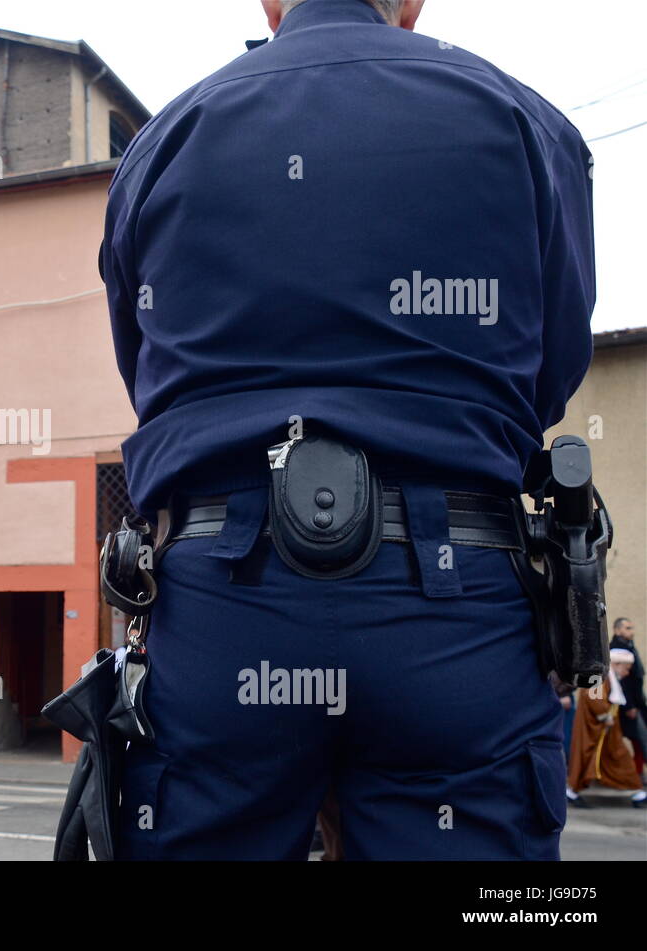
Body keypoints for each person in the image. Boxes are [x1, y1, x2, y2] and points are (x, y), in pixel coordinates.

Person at [99, 0, 595, 859]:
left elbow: (146, 373)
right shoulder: (522, 121)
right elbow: (550, 373)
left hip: (222, 602)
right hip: (457, 605)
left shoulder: (166, 137)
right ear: (412, 2)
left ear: (268, 1)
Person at [566, 649, 647, 809]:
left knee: (618, 758)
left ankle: (637, 792)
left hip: (604, 731)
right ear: (616, 664)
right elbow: (592, 697)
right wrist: (605, 715)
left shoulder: (608, 677)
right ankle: (572, 792)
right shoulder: (598, 675)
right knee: (589, 759)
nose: (627, 672)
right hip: (593, 730)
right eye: (626, 668)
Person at [609, 618, 646, 775]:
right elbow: (620, 682)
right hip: (627, 705)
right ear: (617, 630)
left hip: (637, 702)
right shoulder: (616, 650)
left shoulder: (629, 646)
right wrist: (629, 706)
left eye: (632, 627)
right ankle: (634, 775)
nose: (631, 631)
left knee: (640, 740)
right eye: (627, 628)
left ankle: (636, 774)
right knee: (638, 739)